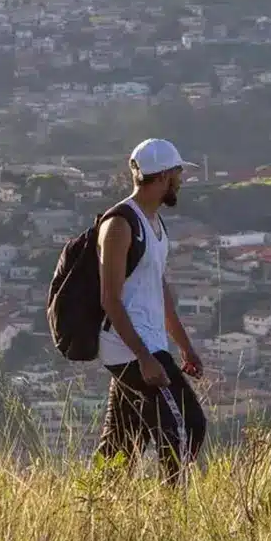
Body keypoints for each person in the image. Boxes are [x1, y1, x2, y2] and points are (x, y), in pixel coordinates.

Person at [95, 138, 207, 484]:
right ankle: (171, 508)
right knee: (185, 426)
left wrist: (185, 345)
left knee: (122, 441)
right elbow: (110, 299)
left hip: (150, 344)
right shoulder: (120, 225)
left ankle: (101, 503)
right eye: (177, 174)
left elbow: (160, 292)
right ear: (161, 177)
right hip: (127, 347)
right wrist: (144, 357)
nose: (181, 181)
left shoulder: (154, 225)